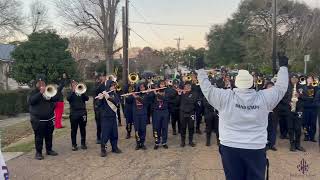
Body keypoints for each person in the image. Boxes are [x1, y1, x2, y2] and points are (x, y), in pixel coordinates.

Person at [196, 55, 289, 180]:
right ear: (253, 84)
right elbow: (281, 88)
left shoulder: (225, 97)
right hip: (255, 148)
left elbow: (207, 89)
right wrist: (283, 68)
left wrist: (200, 70)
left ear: (235, 84)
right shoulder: (264, 98)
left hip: (230, 147)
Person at [28, 74, 59, 160]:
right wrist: (40, 93)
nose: (41, 84)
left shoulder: (48, 91)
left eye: (43, 82)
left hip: (49, 118)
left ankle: (49, 150)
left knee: (49, 135)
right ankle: (38, 153)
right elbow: (31, 101)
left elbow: (56, 99)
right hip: (38, 120)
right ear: (36, 83)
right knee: (39, 136)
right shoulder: (33, 92)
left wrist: (53, 94)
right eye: (39, 82)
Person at [96, 80, 122, 157]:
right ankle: (103, 149)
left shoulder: (115, 94)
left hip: (113, 116)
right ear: (108, 86)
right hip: (105, 117)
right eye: (112, 85)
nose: (113, 87)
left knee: (114, 133)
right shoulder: (104, 94)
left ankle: (114, 147)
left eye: (114, 85)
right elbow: (98, 106)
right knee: (105, 134)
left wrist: (109, 98)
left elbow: (117, 103)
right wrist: (100, 99)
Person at [67, 81, 89, 151]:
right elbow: (68, 99)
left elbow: (87, 98)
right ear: (71, 87)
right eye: (73, 85)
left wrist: (82, 92)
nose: (75, 86)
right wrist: (73, 92)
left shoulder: (82, 92)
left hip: (82, 113)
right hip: (74, 114)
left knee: (83, 129)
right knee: (74, 130)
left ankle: (83, 143)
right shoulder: (71, 93)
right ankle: (74, 145)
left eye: (76, 84)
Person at [287, 75, 306, 152]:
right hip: (289, 110)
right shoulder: (287, 87)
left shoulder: (302, 87)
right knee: (290, 128)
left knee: (298, 128)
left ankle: (298, 145)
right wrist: (288, 102)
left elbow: (306, 97)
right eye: (292, 78)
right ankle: (292, 145)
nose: (294, 79)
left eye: (295, 78)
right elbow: (283, 97)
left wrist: (300, 95)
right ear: (290, 79)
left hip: (299, 110)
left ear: (298, 80)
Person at [178, 81, 198, 147]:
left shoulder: (194, 93)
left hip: (191, 113)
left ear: (190, 86)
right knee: (183, 127)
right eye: (186, 85)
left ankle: (190, 141)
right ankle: (182, 141)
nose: (187, 87)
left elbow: (192, 101)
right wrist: (179, 94)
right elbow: (177, 101)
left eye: (189, 85)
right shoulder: (181, 93)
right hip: (183, 112)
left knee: (191, 127)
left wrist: (184, 94)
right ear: (184, 86)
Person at [151, 80, 169, 149]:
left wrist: (157, 94)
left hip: (164, 111)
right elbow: (150, 99)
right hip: (156, 112)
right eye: (161, 84)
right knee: (156, 128)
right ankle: (157, 142)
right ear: (159, 85)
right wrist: (150, 91)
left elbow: (165, 99)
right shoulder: (155, 91)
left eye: (163, 84)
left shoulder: (167, 91)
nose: (162, 85)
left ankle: (164, 142)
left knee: (164, 127)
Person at [302, 75, 318, 142]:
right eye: (308, 78)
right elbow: (301, 97)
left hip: (314, 108)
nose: (310, 79)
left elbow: (316, 97)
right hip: (305, 108)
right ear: (306, 79)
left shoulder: (316, 87)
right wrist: (307, 98)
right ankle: (306, 135)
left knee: (313, 123)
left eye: (311, 78)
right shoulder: (303, 87)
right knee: (305, 123)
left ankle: (312, 137)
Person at [94, 73, 106, 144]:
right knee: (99, 123)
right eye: (102, 76)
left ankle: (105, 135)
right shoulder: (97, 84)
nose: (103, 77)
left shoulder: (106, 84)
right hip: (97, 106)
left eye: (104, 76)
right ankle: (98, 137)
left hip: (104, 105)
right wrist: (101, 83)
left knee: (104, 122)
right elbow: (95, 91)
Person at [265, 82, 278, 151]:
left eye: (271, 87)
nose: (270, 88)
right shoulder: (263, 95)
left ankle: (272, 144)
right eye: (269, 86)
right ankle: (266, 143)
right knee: (266, 129)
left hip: (274, 114)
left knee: (273, 129)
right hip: (265, 114)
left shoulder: (277, 95)